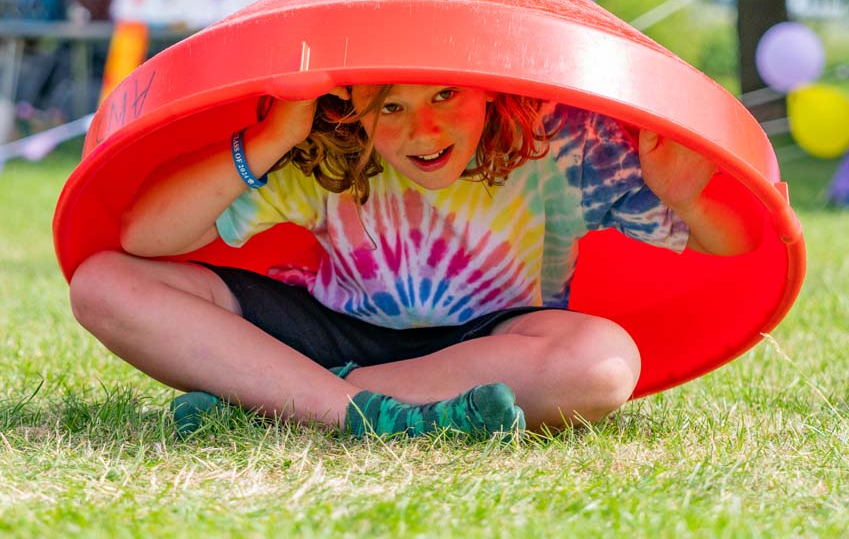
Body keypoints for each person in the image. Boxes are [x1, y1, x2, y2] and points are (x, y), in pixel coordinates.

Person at [69, 80, 759, 439]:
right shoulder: (328, 153)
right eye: (388, 106)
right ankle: (350, 410)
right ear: (355, 114)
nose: (421, 129)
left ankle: (284, 399)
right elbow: (144, 239)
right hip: (323, 325)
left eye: (444, 96)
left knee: (603, 360)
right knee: (102, 283)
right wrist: (275, 132)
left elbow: (736, 244)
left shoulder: (561, 149)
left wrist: (683, 198)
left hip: (487, 339)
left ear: (491, 87)